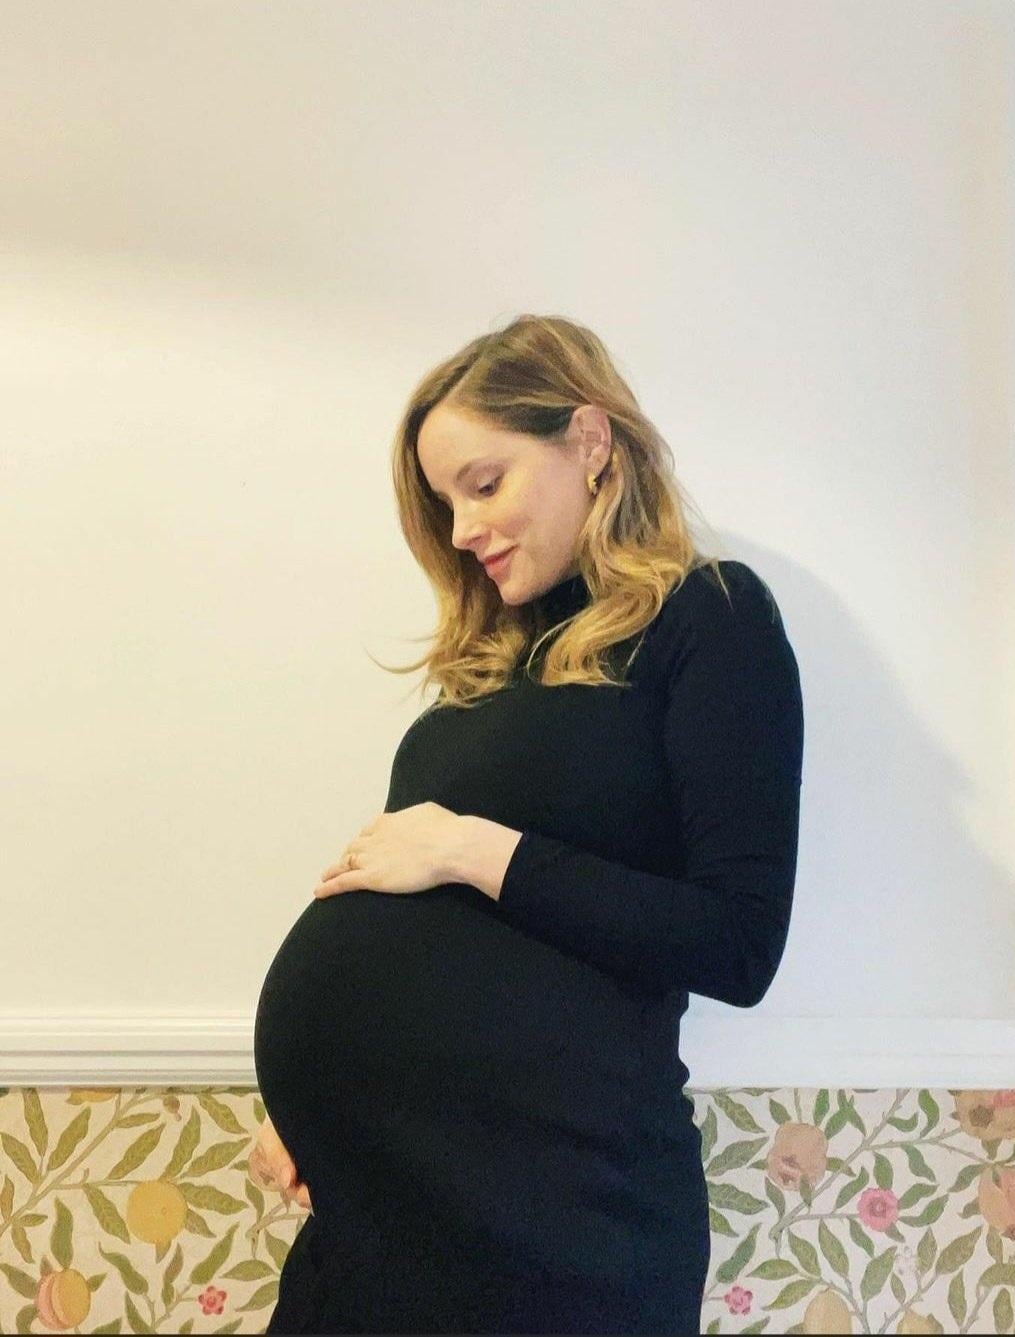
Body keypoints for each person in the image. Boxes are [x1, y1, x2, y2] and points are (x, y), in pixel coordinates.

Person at [253, 313, 804, 1334]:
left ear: (589, 440)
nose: (462, 529)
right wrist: (318, 1111)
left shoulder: (709, 619)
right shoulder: (488, 666)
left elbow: (738, 943)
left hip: (560, 1214)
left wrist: (477, 849)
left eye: (484, 482)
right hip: (379, 1200)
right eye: (444, 502)